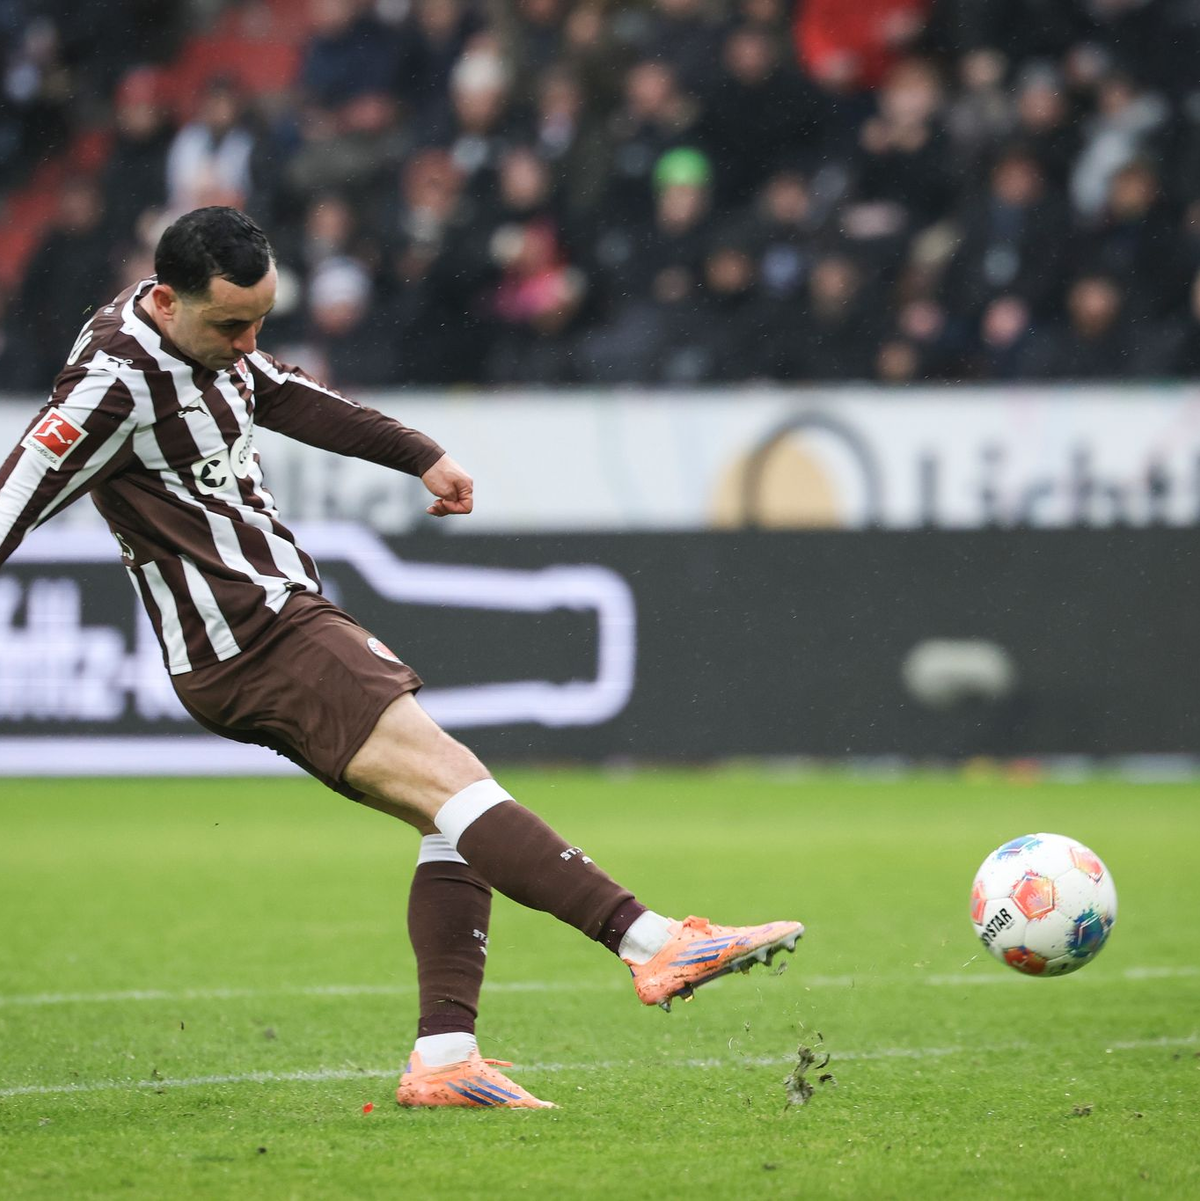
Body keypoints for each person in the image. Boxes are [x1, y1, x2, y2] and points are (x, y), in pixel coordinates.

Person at [0, 206, 803, 1110]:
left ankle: (445, 1057)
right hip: (256, 636)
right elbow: (16, 491)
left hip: (273, 625)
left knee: (453, 805)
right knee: (460, 786)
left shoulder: (209, 342)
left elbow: (284, 389)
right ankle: (652, 942)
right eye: (231, 324)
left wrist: (419, 454)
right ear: (164, 299)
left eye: (261, 317)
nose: (248, 339)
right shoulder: (113, 385)